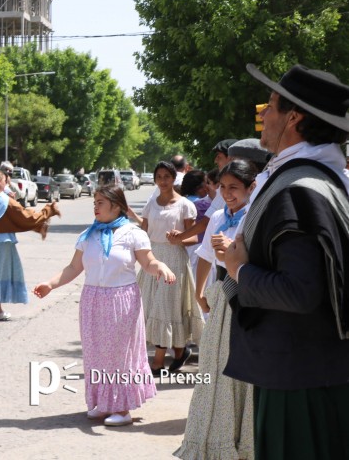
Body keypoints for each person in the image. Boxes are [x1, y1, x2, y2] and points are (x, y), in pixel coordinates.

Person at [222, 64, 349, 458]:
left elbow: (298, 292)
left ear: (294, 118)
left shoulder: (299, 189)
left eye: (269, 106)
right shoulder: (315, 178)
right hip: (311, 371)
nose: (262, 115)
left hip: (299, 379)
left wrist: (237, 269)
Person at [34, 185, 176, 427]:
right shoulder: (88, 235)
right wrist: (50, 284)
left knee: (119, 356)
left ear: (117, 206)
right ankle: (103, 401)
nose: (95, 206)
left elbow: (148, 261)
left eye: (101, 202)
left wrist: (160, 266)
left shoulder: (133, 233)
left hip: (122, 300)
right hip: (92, 300)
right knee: (96, 353)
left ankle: (122, 408)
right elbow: (73, 269)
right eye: (95, 202)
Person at [175, 159, 257, 460]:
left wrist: (234, 251)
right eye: (222, 187)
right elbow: (206, 256)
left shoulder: (255, 216)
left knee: (239, 368)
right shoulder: (219, 215)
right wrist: (199, 293)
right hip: (221, 293)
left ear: (252, 187)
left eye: (234, 187)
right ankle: (211, 438)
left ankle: (241, 443)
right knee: (213, 364)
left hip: (245, 294)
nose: (227, 193)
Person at [130, 161, 202, 374]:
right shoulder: (150, 205)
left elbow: (194, 237)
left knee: (165, 306)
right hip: (152, 258)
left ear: (173, 178)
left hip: (174, 260)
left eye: (166, 177)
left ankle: (158, 362)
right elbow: (142, 235)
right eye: (159, 177)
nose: (163, 181)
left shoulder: (184, 205)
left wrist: (179, 239)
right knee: (150, 306)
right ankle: (180, 352)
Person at [0, 169, 57, 322]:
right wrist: (48, 210)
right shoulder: (5, 200)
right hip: (2, 242)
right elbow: (26, 216)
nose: (6, 182)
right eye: (4, 179)